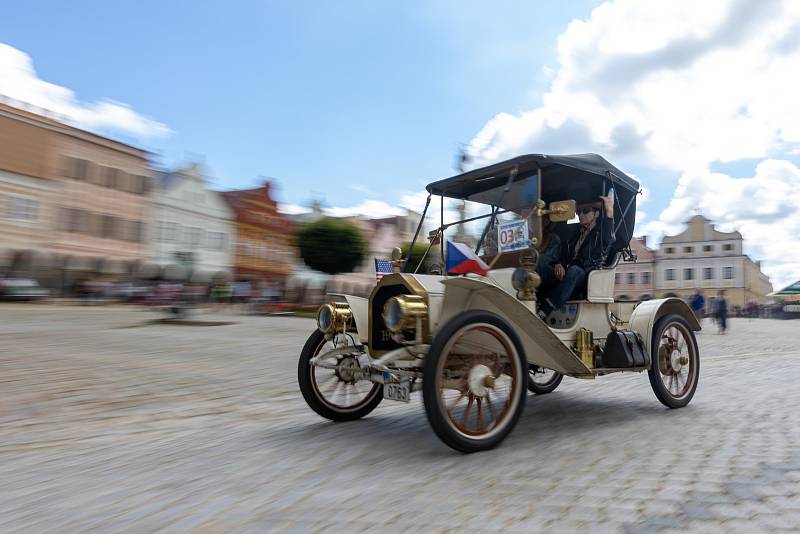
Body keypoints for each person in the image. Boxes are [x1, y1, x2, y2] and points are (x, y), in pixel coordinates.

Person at [539, 194, 615, 316]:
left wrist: (610, 211)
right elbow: (566, 254)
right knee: (540, 262)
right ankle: (531, 299)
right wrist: (559, 264)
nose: (581, 215)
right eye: (579, 212)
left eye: (585, 211)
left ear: (596, 214)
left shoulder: (600, 234)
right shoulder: (576, 233)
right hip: (568, 271)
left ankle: (548, 307)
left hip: (586, 273)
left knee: (574, 271)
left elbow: (609, 235)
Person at [535, 216, 562, 298]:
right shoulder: (528, 238)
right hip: (531, 270)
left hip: (550, 272)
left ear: (546, 222)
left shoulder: (553, 238)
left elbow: (549, 259)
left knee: (539, 260)